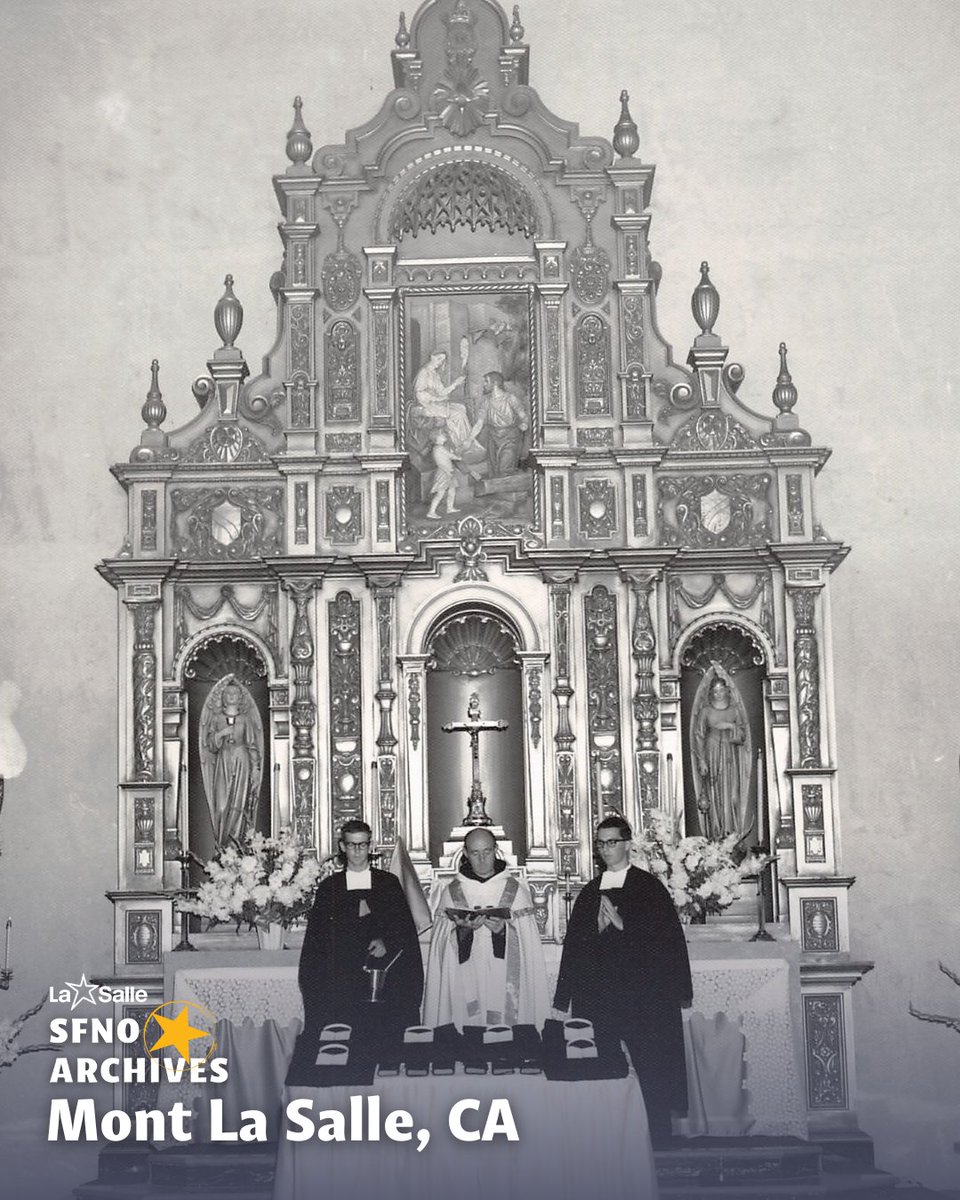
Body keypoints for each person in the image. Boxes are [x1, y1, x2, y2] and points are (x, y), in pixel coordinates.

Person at [554, 815, 693, 1147]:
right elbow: (576, 946)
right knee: (603, 1067)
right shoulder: (590, 892)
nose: (605, 850)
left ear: (627, 844)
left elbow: (666, 940)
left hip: (644, 998)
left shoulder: (648, 887)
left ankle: (659, 1138)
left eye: (611, 842)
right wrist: (597, 932)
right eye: (600, 843)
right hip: (599, 997)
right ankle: (608, 1139)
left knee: (652, 1066)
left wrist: (622, 924)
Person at [297, 820, 423, 1045]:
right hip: (342, 981)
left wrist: (387, 942)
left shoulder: (388, 883)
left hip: (384, 979)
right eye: (352, 845)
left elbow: (404, 930)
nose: (357, 851)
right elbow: (317, 939)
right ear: (342, 847)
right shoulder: (330, 888)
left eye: (362, 845)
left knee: (382, 1040)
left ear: (370, 845)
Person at [423, 827, 550, 1030]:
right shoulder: (451, 892)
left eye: (487, 852)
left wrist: (504, 932)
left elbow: (528, 946)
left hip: (504, 982)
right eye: (475, 853)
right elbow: (439, 947)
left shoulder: (515, 891)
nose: (482, 860)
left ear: (496, 850)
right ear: (465, 854)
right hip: (463, 981)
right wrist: (461, 932)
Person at [199, 674, 263, 846]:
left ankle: (237, 845)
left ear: (240, 697)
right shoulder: (217, 719)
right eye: (228, 694)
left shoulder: (245, 719)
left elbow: (252, 745)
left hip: (242, 761)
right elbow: (210, 745)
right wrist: (221, 733)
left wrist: (256, 768)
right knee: (221, 806)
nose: (232, 697)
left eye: (235, 694)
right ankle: (222, 845)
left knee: (239, 804)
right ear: (223, 697)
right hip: (223, 762)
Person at [692, 673, 752, 843]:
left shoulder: (734, 711)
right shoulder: (705, 711)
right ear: (711, 693)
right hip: (711, 753)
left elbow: (742, 736)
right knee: (714, 793)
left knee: (732, 794)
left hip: (730, 757)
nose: (718, 694)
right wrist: (701, 759)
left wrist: (730, 726)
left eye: (721, 690)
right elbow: (698, 735)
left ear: (727, 691)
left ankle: (731, 832)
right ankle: (715, 833)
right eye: (715, 691)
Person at [475, 370, 528, 476]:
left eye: (486, 382)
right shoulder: (487, 402)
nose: (484, 385)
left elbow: (523, 416)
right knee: (494, 473)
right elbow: (479, 424)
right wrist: (468, 439)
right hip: (493, 440)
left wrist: (524, 424)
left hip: (510, 438)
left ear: (495, 383)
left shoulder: (510, 399)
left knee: (504, 470)